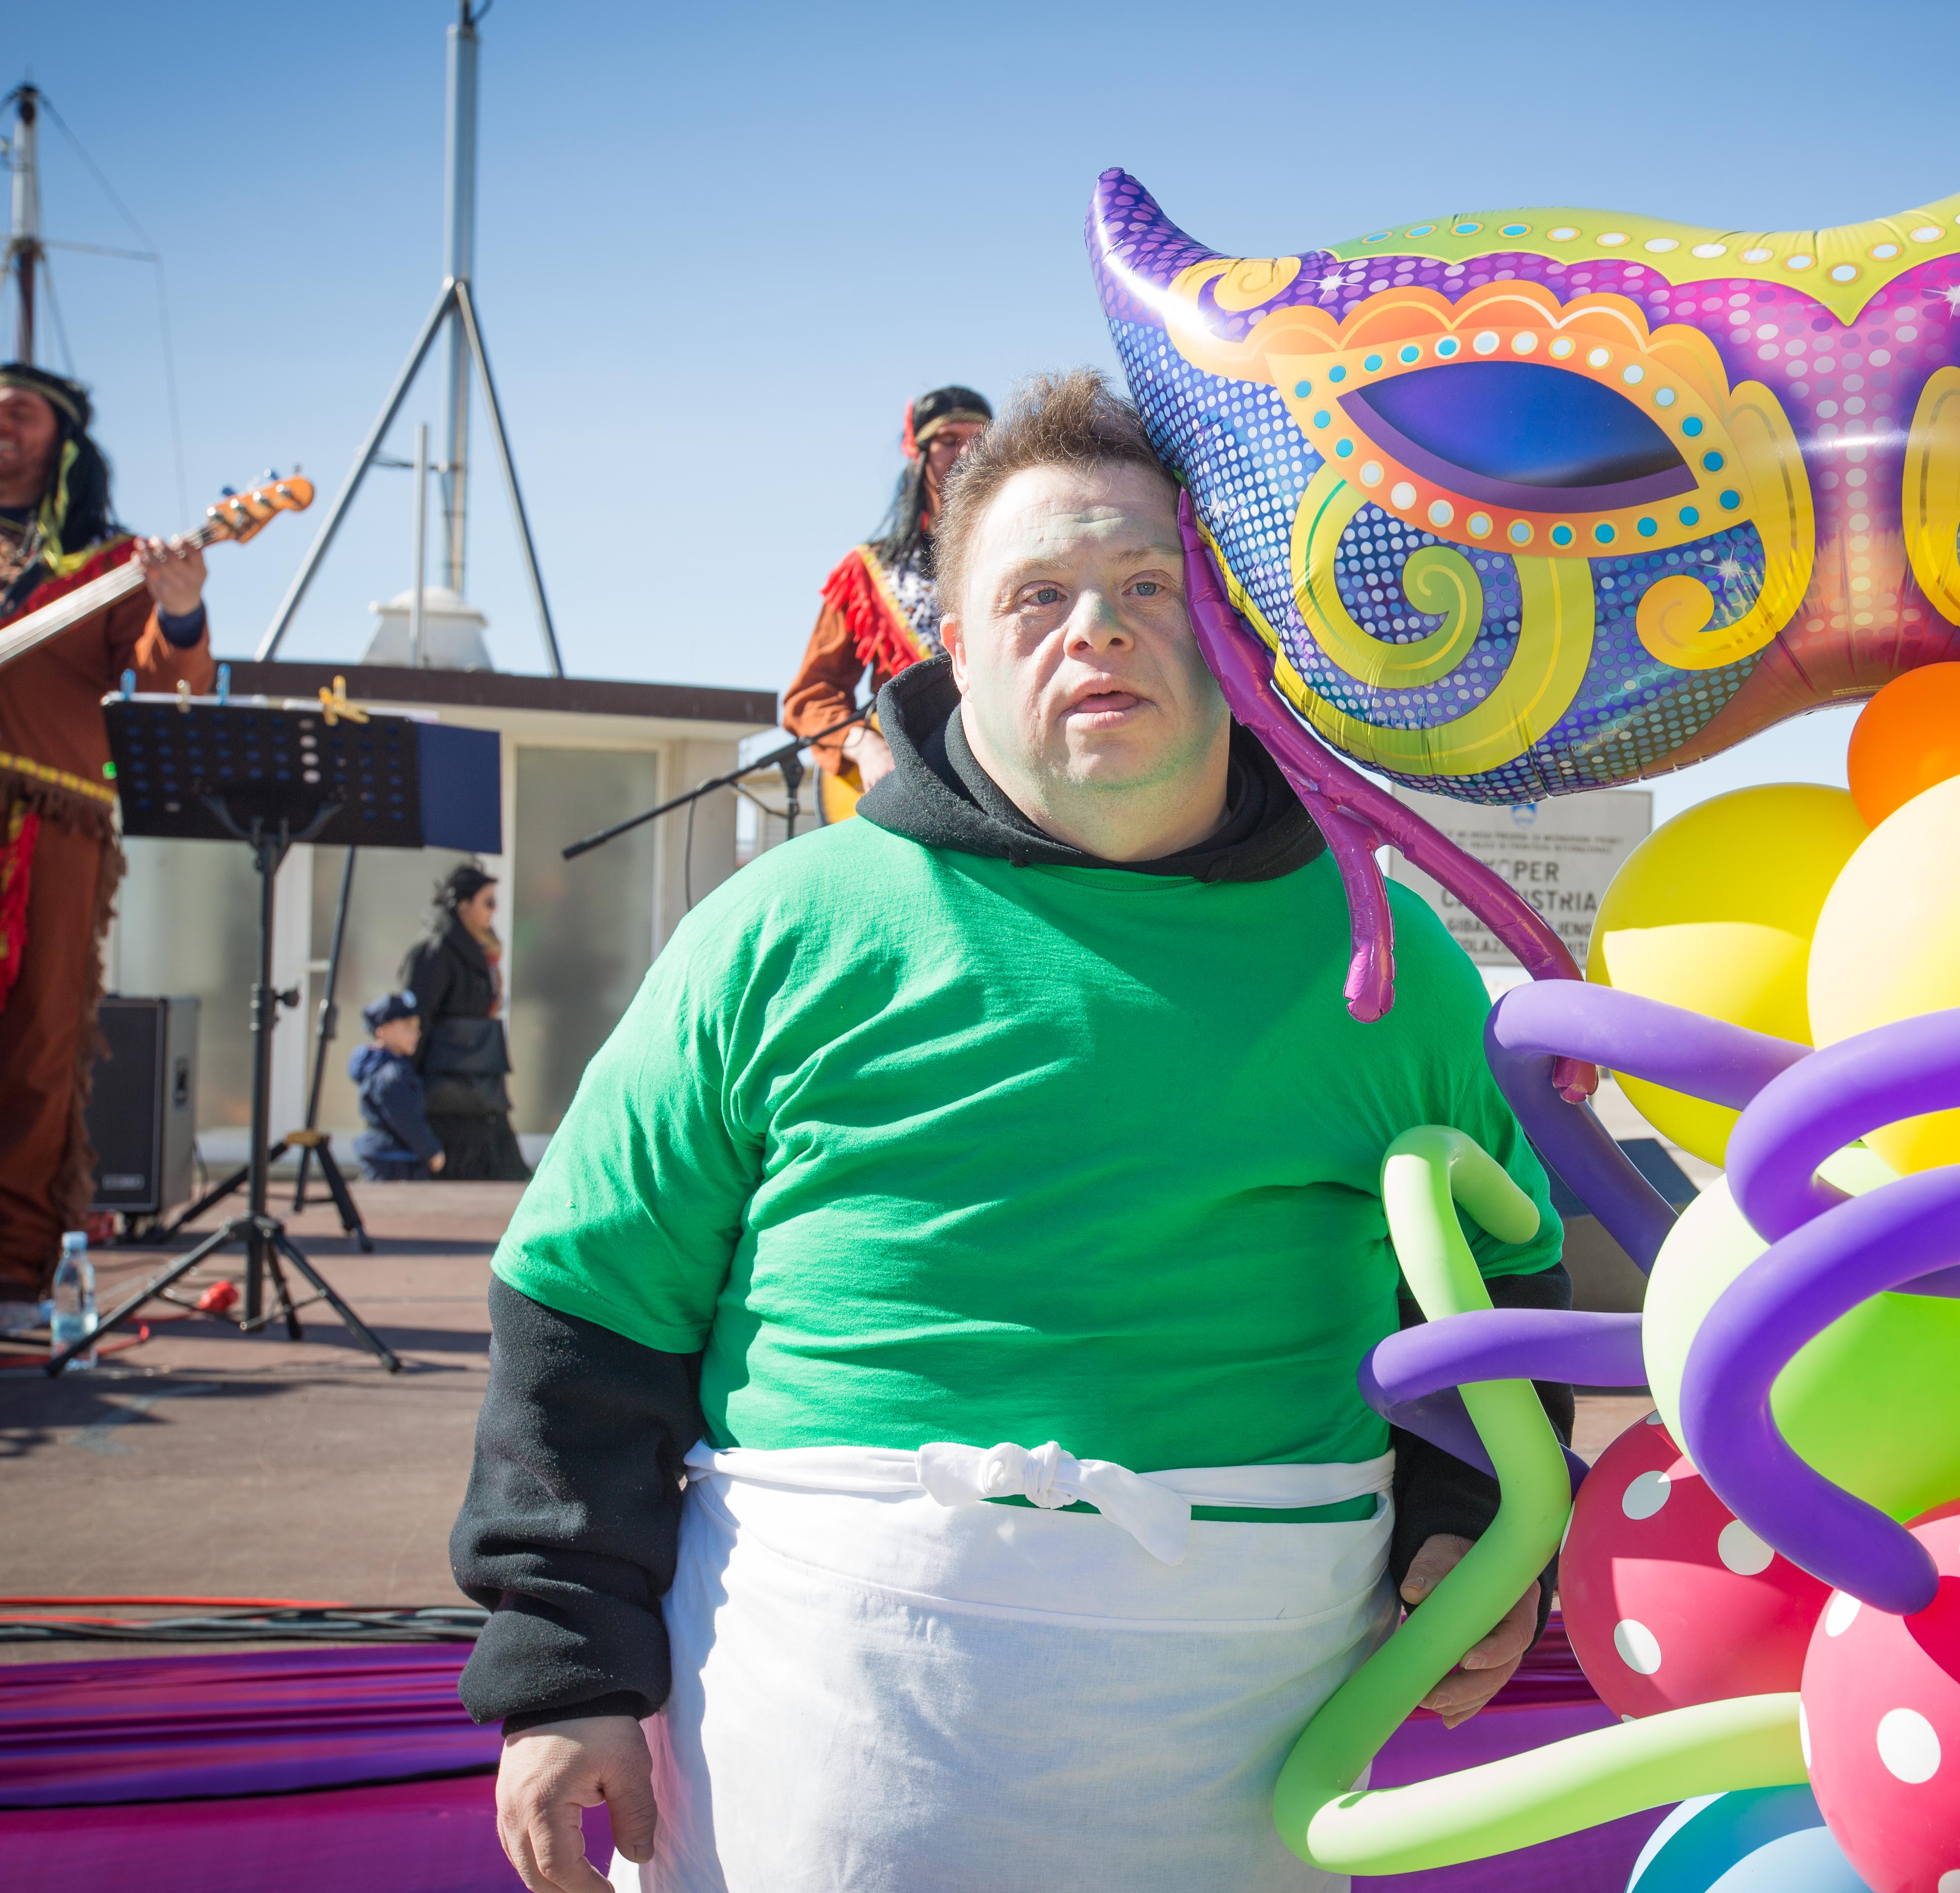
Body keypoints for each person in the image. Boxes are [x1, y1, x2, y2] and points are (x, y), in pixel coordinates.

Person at [453, 370, 1569, 1893]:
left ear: (1234, 630)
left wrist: (1468, 1523)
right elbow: (586, 1311)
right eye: (1037, 594)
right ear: (957, 650)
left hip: (1254, 1717)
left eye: (1149, 584)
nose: (1094, 628)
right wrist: (564, 1664)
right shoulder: (781, 928)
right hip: (817, 1706)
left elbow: (1502, 1292)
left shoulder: (1389, 954)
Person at [0, 364, 212, 1324]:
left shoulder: (109, 566)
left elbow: (171, 688)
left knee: (37, 1047)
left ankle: (13, 1270)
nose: (1, 426)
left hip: (51, 827)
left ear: (66, 442)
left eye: (20, 412)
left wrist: (180, 609)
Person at [779, 385, 993, 814]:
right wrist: (863, 745)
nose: (968, 453)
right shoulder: (867, 572)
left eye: (981, 440)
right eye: (950, 440)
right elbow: (811, 697)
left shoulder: (1024, 563)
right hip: (911, 786)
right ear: (918, 454)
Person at [401, 863, 530, 1182]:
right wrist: (408, 1082)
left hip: (481, 1089)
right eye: (488, 902)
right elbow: (418, 1019)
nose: (494, 910)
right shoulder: (435, 951)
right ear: (463, 906)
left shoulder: (484, 951)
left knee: (503, 1175)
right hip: (448, 1094)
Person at [350, 991, 447, 1182]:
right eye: (408, 1027)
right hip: (396, 1164)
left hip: (386, 1158)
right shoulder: (391, 1074)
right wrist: (431, 1151)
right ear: (382, 1031)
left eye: (417, 1027)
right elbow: (406, 1119)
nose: (417, 1033)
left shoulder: (380, 1066)